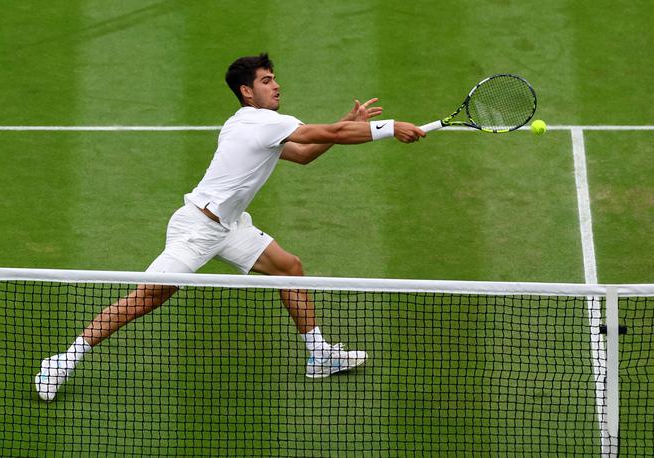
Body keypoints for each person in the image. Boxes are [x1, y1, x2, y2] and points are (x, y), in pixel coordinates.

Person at [35, 53, 426, 401]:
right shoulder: (262, 123)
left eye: (274, 79)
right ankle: (63, 360)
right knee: (149, 296)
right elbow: (325, 136)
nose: (276, 86)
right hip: (197, 228)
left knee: (289, 268)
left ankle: (319, 354)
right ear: (247, 91)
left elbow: (304, 154)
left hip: (230, 226)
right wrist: (391, 127)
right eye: (266, 81)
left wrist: (345, 123)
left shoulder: (255, 124)